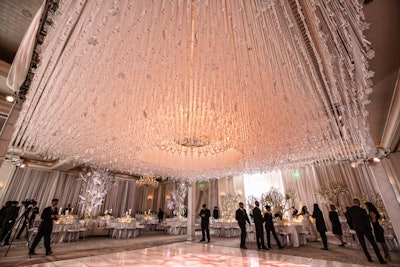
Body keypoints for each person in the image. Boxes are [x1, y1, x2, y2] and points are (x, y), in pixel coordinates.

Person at [347, 198, 387, 264]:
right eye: (359, 202)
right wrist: (370, 229)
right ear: (357, 202)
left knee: (363, 244)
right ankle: (380, 259)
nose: (360, 204)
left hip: (357, 229)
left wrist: (353, 227)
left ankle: (369, 258)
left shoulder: (349, 210)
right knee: (373, 243)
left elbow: (349, 221)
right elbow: (367, 221)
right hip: (365, 228)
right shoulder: (362, 210)